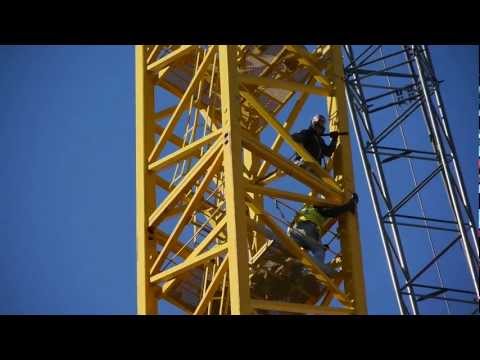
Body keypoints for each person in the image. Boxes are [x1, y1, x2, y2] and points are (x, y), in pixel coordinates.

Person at [287, 193, 359, 276]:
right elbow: (335, 212)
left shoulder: (306, 208)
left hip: (294, 231)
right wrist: (350, 204)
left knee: (294, 251)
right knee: (319, 250)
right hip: (307, 229)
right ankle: (310, 272)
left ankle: (293, 265)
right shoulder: (319, 210)